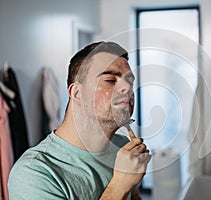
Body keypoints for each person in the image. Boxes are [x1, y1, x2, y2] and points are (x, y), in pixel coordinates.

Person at [8, 41, 152, 200]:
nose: (128, 88)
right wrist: (120, 184)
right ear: (76, 93)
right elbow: (123, 187)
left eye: (130, 81)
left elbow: (134, 196)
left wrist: (131, 186)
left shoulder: (123, 147)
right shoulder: (34, 173)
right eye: (110, 80)